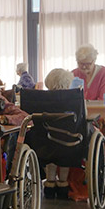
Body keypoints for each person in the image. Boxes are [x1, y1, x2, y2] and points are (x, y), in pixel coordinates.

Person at [41, 68, 75, 198]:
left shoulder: (40, 99)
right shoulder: (74, 98)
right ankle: (63, 182)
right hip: (69, 140)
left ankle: (50, 181)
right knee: (64, 148)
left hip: (45, 140)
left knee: (50, 147)